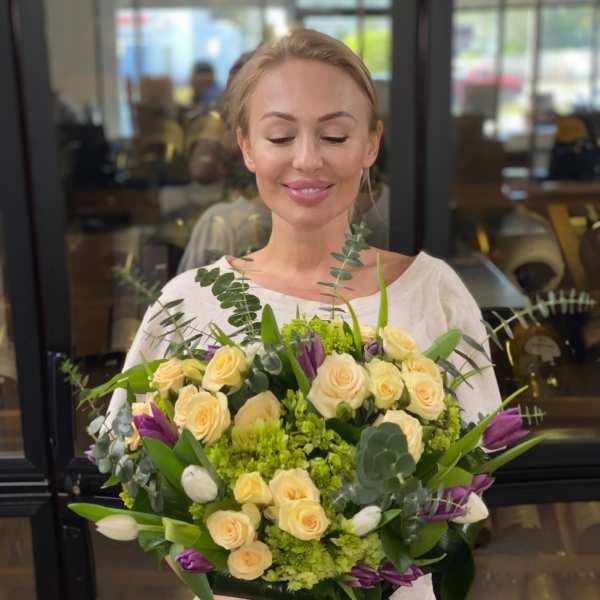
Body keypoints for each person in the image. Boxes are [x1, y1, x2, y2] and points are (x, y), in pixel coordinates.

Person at [108, 28, 502, 600]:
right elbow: (145, 484)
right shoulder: (189, 302)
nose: (308, 159)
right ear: (247, 146)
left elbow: (471, 477)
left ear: (371, 143)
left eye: (335, 134)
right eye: (280, 135)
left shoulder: (430, 292)